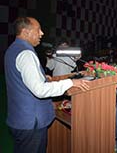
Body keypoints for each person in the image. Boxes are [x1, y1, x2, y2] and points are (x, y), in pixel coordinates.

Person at [4, 17, 89, 153]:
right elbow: (39, 90)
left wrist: (42, 77)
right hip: (31, 122)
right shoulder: (26, 54)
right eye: (38, 30)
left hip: (19, 118)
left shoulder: (13, 49)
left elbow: (21, 76)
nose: (42, 33)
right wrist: (71, 82)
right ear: (26, 32)